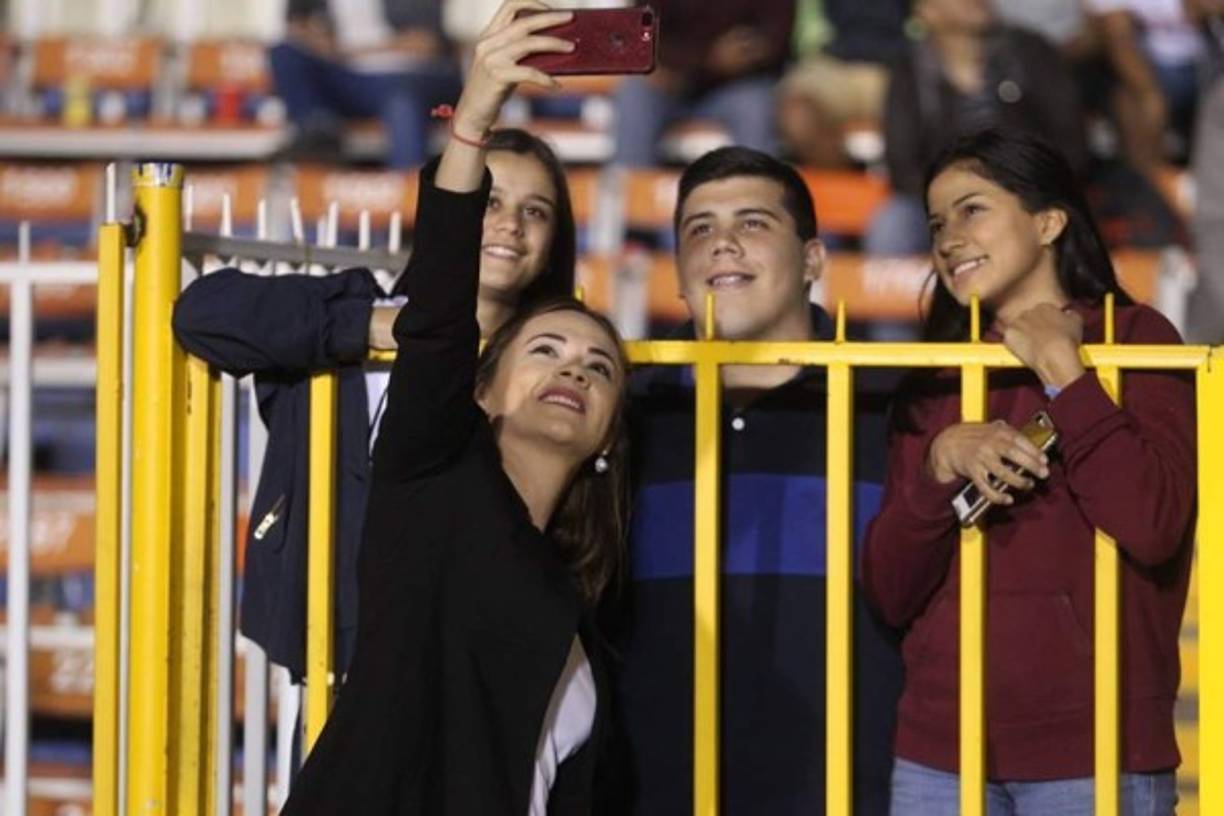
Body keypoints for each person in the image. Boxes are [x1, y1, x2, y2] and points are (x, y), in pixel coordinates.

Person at [279, 3, 631, 812]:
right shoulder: (432, 471)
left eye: (598, 366)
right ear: (481, 388)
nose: (571, 371)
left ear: (613, 428)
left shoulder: (580, 610)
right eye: (544, 350)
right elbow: (437, 318)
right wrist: (473, 116)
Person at [861, 128, 1194, 814]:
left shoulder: (1137, 338)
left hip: (1095, 749)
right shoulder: (934, 375)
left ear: (1048, 221)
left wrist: (1064, 374)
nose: (948, 238)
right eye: (935, 222)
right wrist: (937, 463)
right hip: (937, 751)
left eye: (972, 209)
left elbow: (1152, 523)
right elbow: (890, 592)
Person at [173, 130, 577, 680]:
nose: (510, 223)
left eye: (536, 211)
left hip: (481, 667)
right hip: (341, 665)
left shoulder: (565, 365)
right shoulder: (358, 312)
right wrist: (367, 324)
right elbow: (201, 314)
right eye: (489, 201)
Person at [608, 146, 904, 814]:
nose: (722, 245)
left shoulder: (892, 410)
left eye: (752, 224)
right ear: (678, 272)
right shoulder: (623, 413)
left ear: (812, 261)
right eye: (699, 229)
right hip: (657, 794)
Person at [867, 0, 1087, 257]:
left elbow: (1072, 145)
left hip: (1025, 193)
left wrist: (1015, 188)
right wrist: (957, 200)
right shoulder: (910, 71)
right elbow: (901, 164)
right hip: (940, 203)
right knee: (893, 223)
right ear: (927, 12)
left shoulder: (1030, 52)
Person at [268, 0, 462, 168]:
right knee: (284, 54)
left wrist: (350, 51)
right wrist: (320, 42)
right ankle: (316, 132)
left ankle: (409, 193)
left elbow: (425, 43)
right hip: (348, 78)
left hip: (408, 74)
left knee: (401, 101)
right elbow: (295, 29)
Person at [611, 0, 795, 167]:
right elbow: (638, 36)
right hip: (669, 86)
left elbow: (774, 40)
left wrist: (746, 53)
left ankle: (757, 196)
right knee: (635, 94)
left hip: (736, 87)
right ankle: (632, 195)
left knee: (756, 104)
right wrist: (707, 61)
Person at [778, 0, 910, 167]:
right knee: (798, 119)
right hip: (829, 64)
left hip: (899, 66)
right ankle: (841, 186)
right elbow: (806, 36)